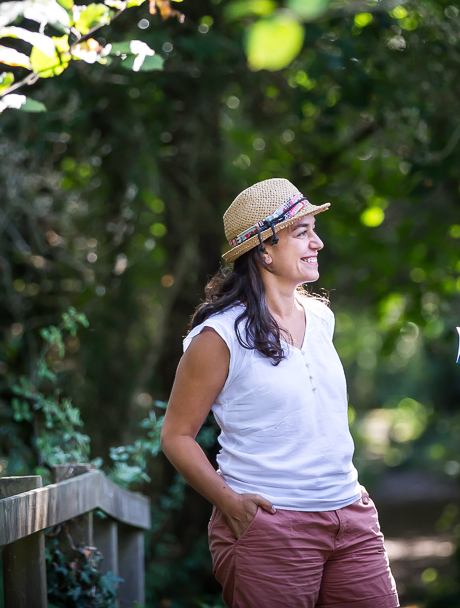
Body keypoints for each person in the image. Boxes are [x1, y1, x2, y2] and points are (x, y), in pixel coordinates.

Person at [159, 177, 398, 608]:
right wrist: (230, 505)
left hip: (352, 517)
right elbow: (176, 436)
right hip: (272, 525)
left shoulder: (321, 317)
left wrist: (350, 500)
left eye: (314, 230)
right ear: (264, 250)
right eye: (301, 232)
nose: (318, 243)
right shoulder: (218, 336)